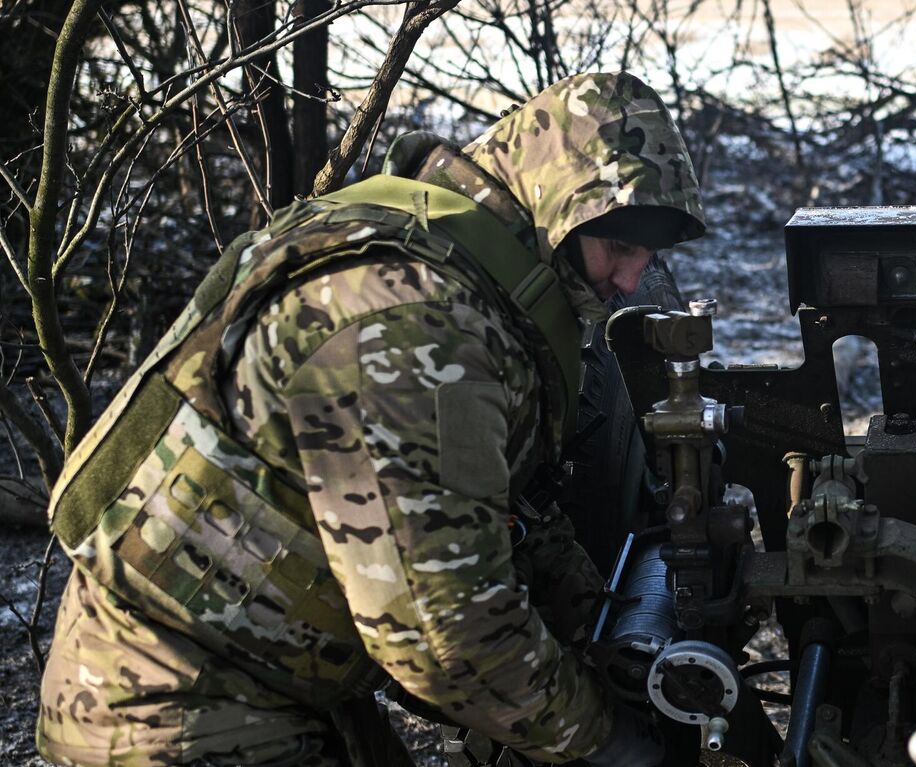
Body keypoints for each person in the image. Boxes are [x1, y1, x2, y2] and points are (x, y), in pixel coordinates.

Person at [36, 72, 700, 766]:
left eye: (647, 255)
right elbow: (450, 639)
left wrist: (607, 629)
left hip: (266, 683)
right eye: (619, 247)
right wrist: (613, 743)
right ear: (554, 201)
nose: (631, 280)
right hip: (169, 710)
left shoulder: (459, 276)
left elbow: (503, 516)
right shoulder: (414, 325)